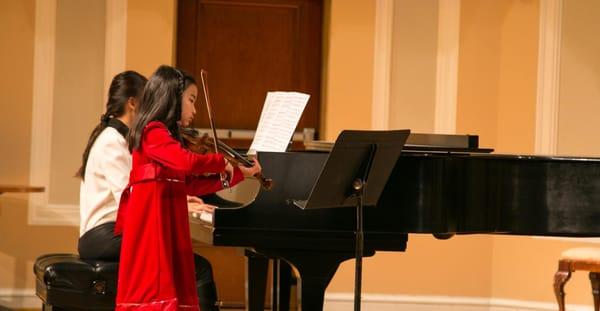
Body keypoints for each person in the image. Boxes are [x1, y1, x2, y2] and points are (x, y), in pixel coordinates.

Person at [115, 65, 261, 311]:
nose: (195, 110)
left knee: (173, 290)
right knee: (155, 292)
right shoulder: (153, 131)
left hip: (166, 220)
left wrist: (236, 175)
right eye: (191, 100)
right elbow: (186, 162)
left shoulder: (167, 138)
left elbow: (189, 183)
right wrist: (220, 161)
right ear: (172, 97)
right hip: (153, 224)